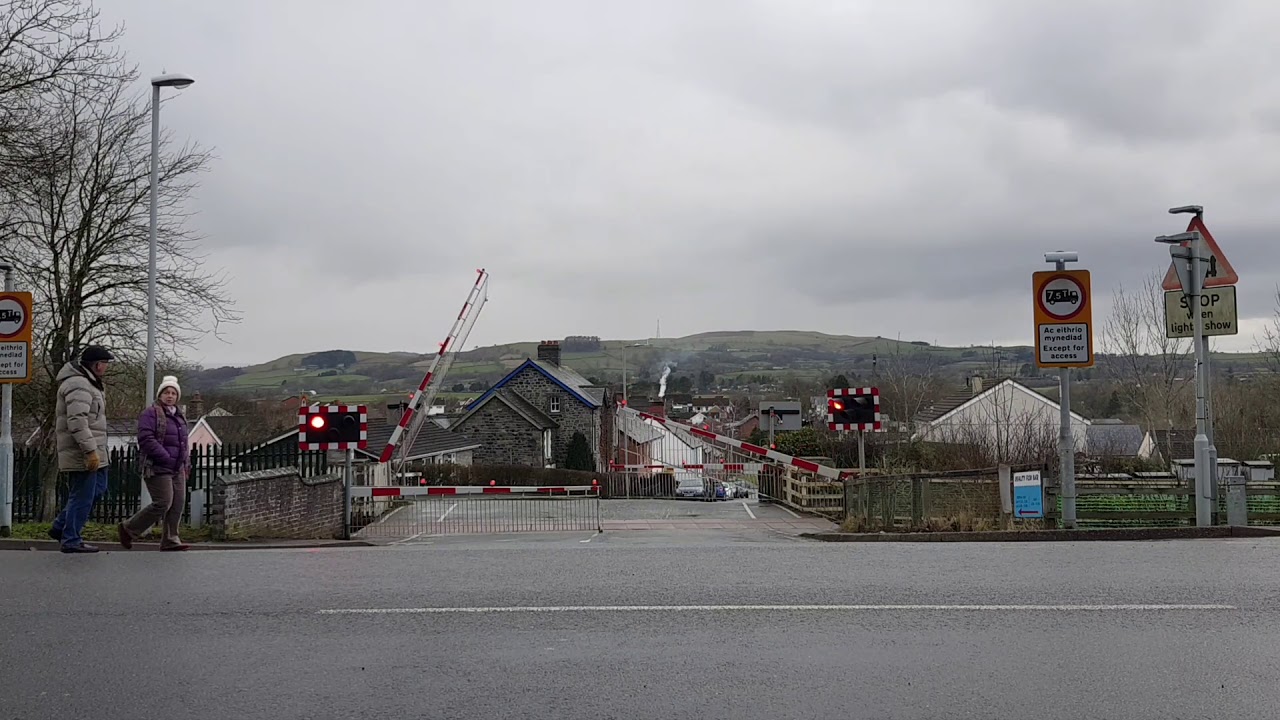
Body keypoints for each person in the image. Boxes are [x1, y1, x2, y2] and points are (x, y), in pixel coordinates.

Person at [49, 345, 114, 553]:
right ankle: (71, 539)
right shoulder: (79, 384)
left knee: (98, 489)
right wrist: (90, 451)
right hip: (82, 452)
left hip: (95, 450)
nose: (105, 368)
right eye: (104, 364)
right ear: (96, 365)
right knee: (82, 496)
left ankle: (60, 526)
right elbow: (77, 421)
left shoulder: (89, 383)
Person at [119, 375, 190, 551]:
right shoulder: (151, 413)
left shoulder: (180, 417)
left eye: (173, 393)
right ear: (160, 394)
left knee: (177, 503)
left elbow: (184, 443)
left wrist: (185, 463)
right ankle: (128, 529)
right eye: (166, 392)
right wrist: (164, 456)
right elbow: (145, 438)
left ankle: (170, 539)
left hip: (177, 468)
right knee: (163, 502)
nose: (170, 396)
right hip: (157, 466)